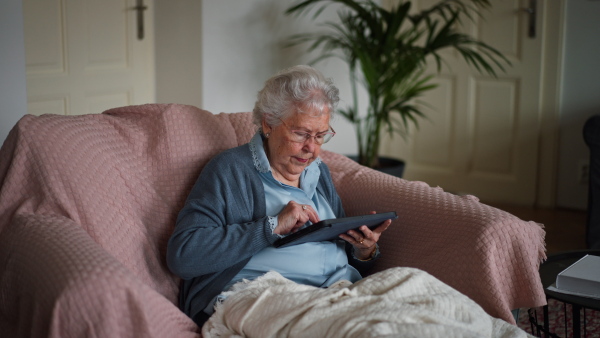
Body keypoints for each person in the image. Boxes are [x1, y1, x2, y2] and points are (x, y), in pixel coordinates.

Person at [166, 65, 391, 327]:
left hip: (339, 290)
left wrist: (363, 250)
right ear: (268, 123)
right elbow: (183, 255)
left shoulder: (319, 172)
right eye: (301, 133)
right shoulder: (230, 170)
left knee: (419, 289)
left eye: (320, 136)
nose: (312, 149)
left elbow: (336, 251)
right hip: (263, 294)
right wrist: (271, 227)